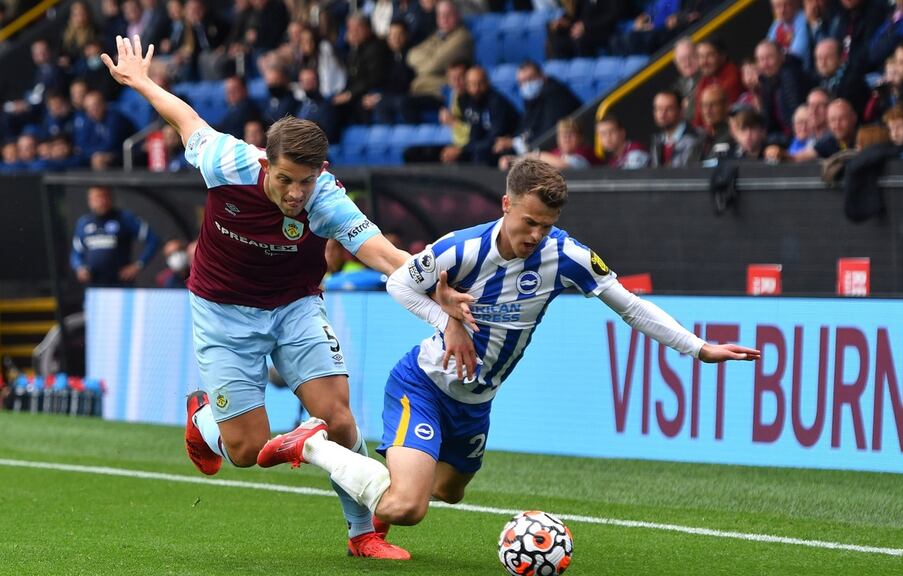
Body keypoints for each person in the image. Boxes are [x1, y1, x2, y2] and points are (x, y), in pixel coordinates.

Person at [257, 157, 761, 543]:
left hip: (477, 402)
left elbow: (630, 306)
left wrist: (699, 348)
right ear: (506, 205)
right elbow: (398, 285)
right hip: (425, 384)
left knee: (449, 492)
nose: (536, 235)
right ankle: (312, 445)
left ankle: (400, 467)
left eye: (546, 225)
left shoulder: (567, 257)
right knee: (407, 509)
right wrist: (446, 319)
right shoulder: (460, 248)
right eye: (529, 222)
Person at [99, 34, 438, 559]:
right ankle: (203, 419)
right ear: (265, 165)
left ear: (320, 174)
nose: (295, 193)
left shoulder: (325, 200)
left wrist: (438, 292)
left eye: (305, 181)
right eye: (285, 180)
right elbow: (184, 118)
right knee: (246, 450)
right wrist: (142, 81)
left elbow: (386, 255)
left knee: (341, 418)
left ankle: (362, 533)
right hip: (221, 311)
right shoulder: (226, 160)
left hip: (294, 308)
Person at [70, 185, 161, 287]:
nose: (100, 201)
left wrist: (138, 265)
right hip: (94, 284)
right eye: (95, 198)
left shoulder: (125, 218)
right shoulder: (83, 223)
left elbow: (153, 240)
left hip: (120, 284)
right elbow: (76, 253)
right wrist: (79, 267)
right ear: (89, 201)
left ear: (110, 198)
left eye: (103, 196)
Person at [649, 90, 704, 167]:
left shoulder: (696, 137)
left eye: (669, 109)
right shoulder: (657, 141)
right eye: (658, 109)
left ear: (680, 110)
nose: (662, 114)